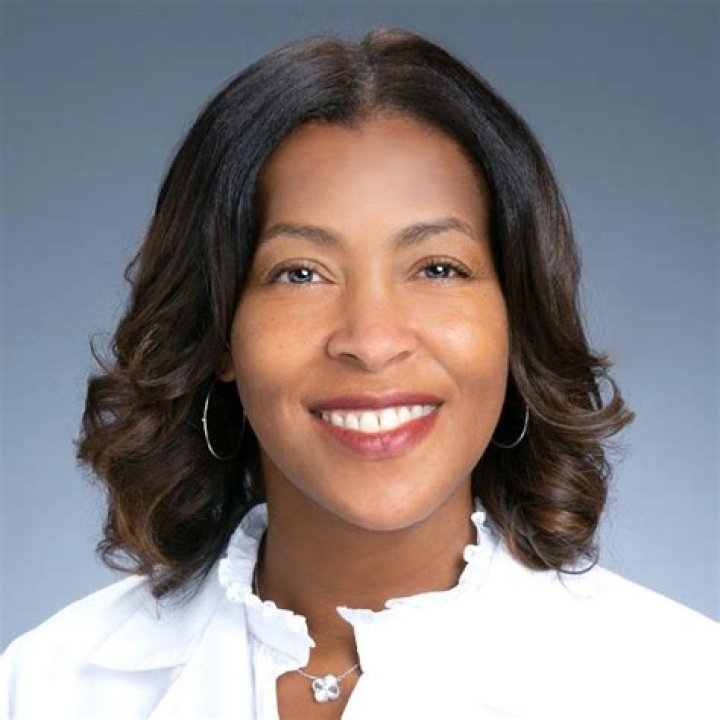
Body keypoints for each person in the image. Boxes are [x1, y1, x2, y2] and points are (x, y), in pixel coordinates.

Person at [2, 26, 717, 720]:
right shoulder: (43, 688)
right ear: (219, 333)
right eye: (300, 273)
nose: (372, 342)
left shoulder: (684, 689)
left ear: (515, 319)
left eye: (438, 268)